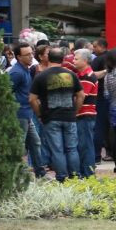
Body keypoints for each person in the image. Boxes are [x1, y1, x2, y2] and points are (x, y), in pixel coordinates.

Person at [29, 47, 83, 182]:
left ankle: (62, 177)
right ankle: (75, 176)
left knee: (57, 149)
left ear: (49, 58)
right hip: (69, 116)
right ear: (63, 59)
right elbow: (81, 95)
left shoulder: (41, 76)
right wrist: (75, 111)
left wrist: (39, 114)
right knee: (72, 148)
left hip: (50, 117)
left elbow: (32, 99)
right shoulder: (71, 75)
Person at [9, 42, 46, 179]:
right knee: (20, 146)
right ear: (19, 57)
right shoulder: (17, 72)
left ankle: (40, 172)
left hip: (26, 113)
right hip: (19, 114)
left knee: (35, 143)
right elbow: (6, 92)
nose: (31, 56)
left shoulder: (25, 69)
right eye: (27, 54)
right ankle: (18, 174)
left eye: (32, 53)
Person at [68, 50, 98, 178]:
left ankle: (88, 173)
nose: (73, 61)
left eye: (76, 59)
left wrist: (74, 112)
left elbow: (81, 96)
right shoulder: (80, 75)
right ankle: (85, 172)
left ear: (85, 61)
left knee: (85, 145)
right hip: (83, 114)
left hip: (85, 114)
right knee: (83, 144)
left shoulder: (87, 76)